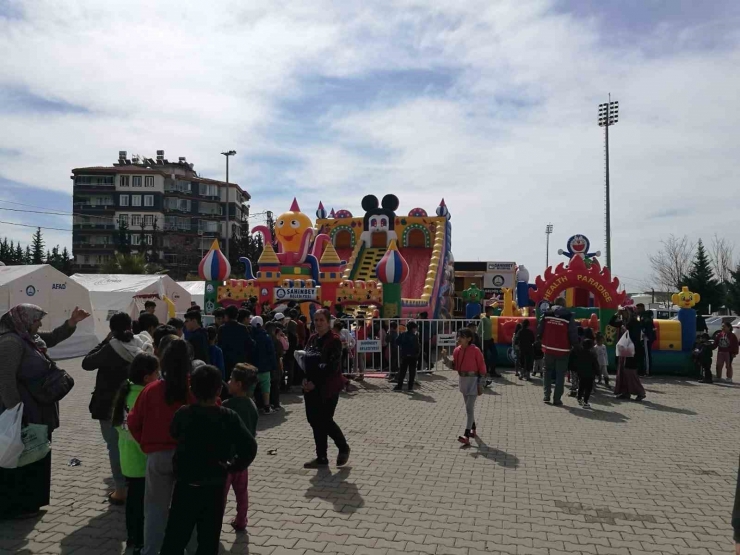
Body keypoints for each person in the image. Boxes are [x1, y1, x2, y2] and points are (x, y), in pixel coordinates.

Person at [0, 304, 89, 519]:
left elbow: (53, 337)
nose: (39, 324)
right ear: (23, 320)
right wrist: (15, 411)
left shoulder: (29, 338)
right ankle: (16, 506)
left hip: (36, 409)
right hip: (23, 411)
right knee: (22, 457)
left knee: (36, 453)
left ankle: (32, 502)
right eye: (36, 320)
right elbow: (5, 380)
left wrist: (72, 322)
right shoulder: (11, 342)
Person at [159, 365, 256, 554]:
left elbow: (173, 433)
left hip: (186, 485)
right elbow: (250, 447)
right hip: (214, 487)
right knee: (208, 540)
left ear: (191, 389)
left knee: (174, 539)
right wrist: (233, 466)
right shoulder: (228, 417)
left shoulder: (183, 414)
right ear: (219, 390)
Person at [128, 340, 197, 555]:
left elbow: (133, 422)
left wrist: (147, 444)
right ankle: (191, 549)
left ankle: (151, 551)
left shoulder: (151, 390)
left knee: (155, 510)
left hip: (157, 457)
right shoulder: (194, 389)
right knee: (189, 510)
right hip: (189, 457)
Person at [82, 312, 153, 505]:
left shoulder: (110, 348)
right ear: (131, 326)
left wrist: (104, 341)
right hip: (135, 403)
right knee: (135, 444)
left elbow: (86, 362)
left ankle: (121, 489)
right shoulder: (140, 345)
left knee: (114, 447)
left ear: (111, 329)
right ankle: (139, 483)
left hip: (110, 406)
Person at [111, 353, 160, 554]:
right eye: (157, 373)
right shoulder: (146, 395)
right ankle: (139, 541)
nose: (159, 376)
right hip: (142, 458)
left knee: (133, 502)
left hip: (127, 456)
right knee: (142, 504)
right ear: (148, 376)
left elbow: (117, 425)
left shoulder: (126, 390)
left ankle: (133, 538)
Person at [302, 309, 350, 468]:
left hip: (328, 387)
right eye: (315, 320)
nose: (318, 323)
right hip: (310, 388)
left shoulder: (334, 340)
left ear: (328, 322)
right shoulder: (312, 339)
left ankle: (343, 447)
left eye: (321, 320)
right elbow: (305, 361)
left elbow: (332, 367)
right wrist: (304, 380)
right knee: (314, 421)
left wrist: (315, 382)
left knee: (324, 420)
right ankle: (321, 457)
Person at [222, 364, 259, 532]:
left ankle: (214, 522)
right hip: (243, 460)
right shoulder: (252, 406)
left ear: (238, 384)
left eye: (231, 379)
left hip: (226, 460)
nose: (228, 382)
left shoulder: (227, 406)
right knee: (242, 493)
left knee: (221, 495)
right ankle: (241, 520)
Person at [440, 328, 486, 446]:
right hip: (463, 381)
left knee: (469, 408)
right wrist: (445, 358)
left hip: (474, 381)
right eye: (459, 336)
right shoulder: (457, 351)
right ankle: (473, 428)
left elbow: (482, 367)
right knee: (469, 408)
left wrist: (480, 383)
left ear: (469, 339)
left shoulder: (476, 351)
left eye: (462, 336)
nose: (459, 339)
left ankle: (466, 435)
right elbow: (454, 366)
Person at [537, 297, 579, 406]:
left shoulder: (547, 314)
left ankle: (546, 395)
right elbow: (573, 333)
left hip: (548, 347)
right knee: (560, 374)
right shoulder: (569, 316)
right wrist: (576, 345)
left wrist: (539, 339)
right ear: (564, 305)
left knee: (547, 371)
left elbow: (540, 328)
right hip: (563, 350)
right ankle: (557, 399)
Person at [614, 309, 647, 401]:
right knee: (623, 371)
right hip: (623, 349)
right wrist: (617, 314)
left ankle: (640, 392)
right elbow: (612, 322)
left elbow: (635, 337)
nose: (623, 313)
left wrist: (626, 330)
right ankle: (625, 392)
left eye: (625, 311)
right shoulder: (624, 321)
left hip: (632, 349)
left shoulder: (634, 322)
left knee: (630, 372)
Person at [218, 305, 254, 380]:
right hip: (240, 363)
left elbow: (219, 345)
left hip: (226, 362)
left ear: (226, 315)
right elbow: (250, 344)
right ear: (237, 315)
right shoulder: (243, 328)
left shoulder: (222, 328)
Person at [251, 316, 277, 414]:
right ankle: (267, 407)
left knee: (250, 388)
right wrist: (274, 366)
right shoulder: (266, 337)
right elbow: (271, 353)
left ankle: (250, 407)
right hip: (265, 367)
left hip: (252, 367)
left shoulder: (250, 336)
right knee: (266, 388)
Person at [265, 322, 286, 412]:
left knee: (267, 386)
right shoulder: (277, 341)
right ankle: (276, 404)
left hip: (266, 366)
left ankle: (267, 404)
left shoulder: (264, 339)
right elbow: (281, 353)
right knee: (275, 386)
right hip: (276, 366)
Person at [573, 338, 599, 409]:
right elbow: (595, 364)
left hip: (581, 373)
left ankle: (579, 398)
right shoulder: (592, 354)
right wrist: (598, 373)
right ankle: (585, 401)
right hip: (590, 374)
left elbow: (576, 362)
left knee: (581, 386)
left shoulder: (580, 353)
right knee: (588, 388)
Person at [394, 321, 421, 391]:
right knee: (412, 372)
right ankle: (410, 387)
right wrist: (417, 354)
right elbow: (417, 347)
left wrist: (402, 346)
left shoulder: (403, 334)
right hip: (413, 356)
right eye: (415, 328)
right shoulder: (415, 336)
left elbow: (397, 342)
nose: (415, 329)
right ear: (412, 329)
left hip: (404, 355)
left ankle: (399, 386)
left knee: (402, 371)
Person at [635, 303, 655, 377]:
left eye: (638, 308)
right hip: (645, 337)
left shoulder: (645, 316)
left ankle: (647, 372)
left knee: (647, 355)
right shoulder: (642, 316)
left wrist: (646, 334)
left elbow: (648, 326)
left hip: (646, 338)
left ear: (642, 308)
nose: (637, 310)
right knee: (644, 354)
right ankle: (644, 370)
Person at [481, 307, 501, 379]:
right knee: (485, 357)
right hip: (485, 340)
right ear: (488, 311)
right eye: (491, 311)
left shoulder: (489, 318)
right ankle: (486, 371)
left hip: (490, 339)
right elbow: (479, 329)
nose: (492, 312)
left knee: (495, 354)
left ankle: (492, 370)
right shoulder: (483, 319)